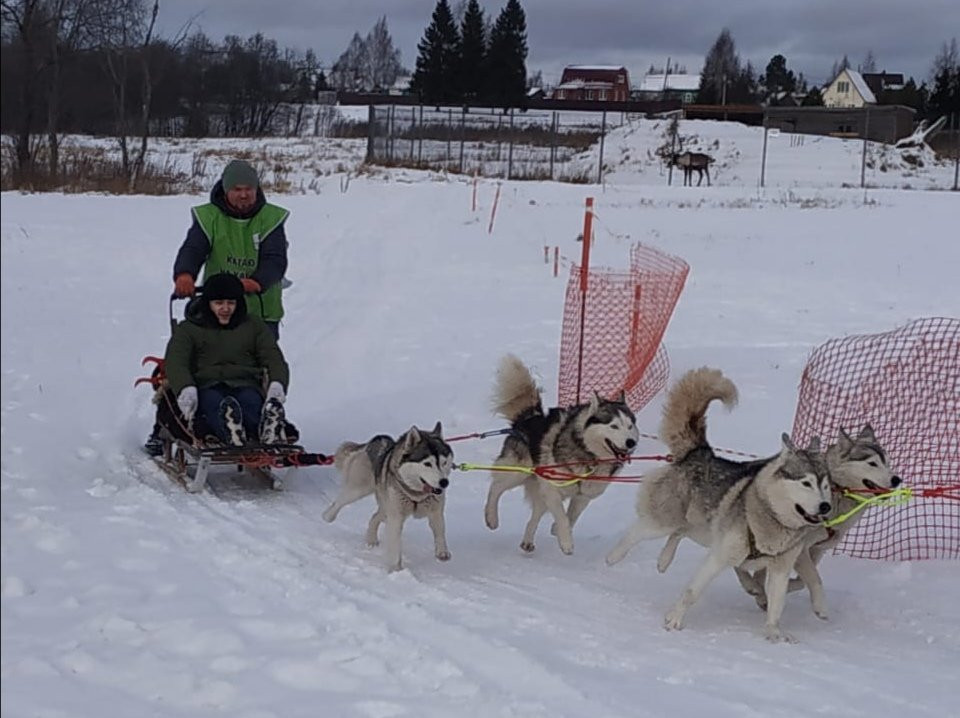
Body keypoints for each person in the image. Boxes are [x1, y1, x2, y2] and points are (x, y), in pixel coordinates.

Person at [163, 273, 290, 447]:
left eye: (231, 303)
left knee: (251, 403)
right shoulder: (189, 329)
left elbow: (272, 356)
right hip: (206, 384)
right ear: (208, 304)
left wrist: (277, 384)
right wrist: (185, 387)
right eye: (219, 303)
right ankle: (230, 431)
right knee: (215, 405)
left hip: (245, 382)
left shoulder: (253, 326)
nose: (225, 308)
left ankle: (266, 428)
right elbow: (176, 361)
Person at [172, 159, 289, 340]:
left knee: (261, 363)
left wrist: (256, 281)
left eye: (249, 189)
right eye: (237, 189)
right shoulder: (209, 217)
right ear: (226, 191)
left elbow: (275, 259)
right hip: (218, 308)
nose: (244, 195)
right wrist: (185, 274)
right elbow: (194, 248)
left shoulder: (270, 218)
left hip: (262, 310)